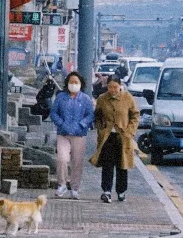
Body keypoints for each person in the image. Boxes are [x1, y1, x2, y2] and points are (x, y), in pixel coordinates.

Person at [90, 74, 137, 204]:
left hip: (123, 136)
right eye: (110, 87)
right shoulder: (102, 99)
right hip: (107, 137)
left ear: (120, 86)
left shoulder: (128, 98)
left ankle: (121, 191)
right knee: (108, 165)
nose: (113, 90)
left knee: (122, 164)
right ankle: (106, 191)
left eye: (115, 87)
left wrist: (130, 131)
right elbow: (97, 116)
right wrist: (101, 128)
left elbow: (135, 115)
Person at [50, 71, 95, 200]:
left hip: (79, 135)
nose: (73, 84)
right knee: (62, 159)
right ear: (67, 83)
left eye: (76, 82)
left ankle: (75, 188)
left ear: (81, 84)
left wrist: (82, 124)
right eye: (71, 82)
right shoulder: (61, 97)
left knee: (77, 162)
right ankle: (62, 184)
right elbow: (54, 113)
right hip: (63, 134)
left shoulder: (85, 99)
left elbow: (90, 115)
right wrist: (61, 124)